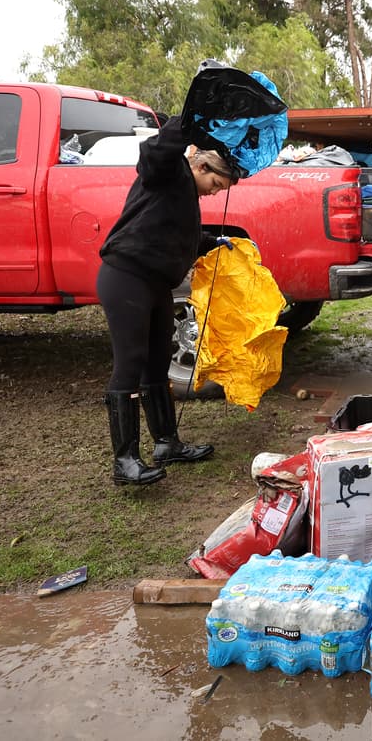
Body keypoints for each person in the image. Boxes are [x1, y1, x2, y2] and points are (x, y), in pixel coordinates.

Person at [97, 116, 242, 486]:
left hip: (156, 283)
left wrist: (213, 242)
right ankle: (124, 461)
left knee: (158, 362)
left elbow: (176, 235)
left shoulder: (185, 194)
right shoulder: (167, 171)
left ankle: (166, 444)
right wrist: (188, 121)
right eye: (215, 184)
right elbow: (154, 152)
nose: (215, 193)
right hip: (126, 276)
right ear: (201, 166)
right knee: (131, 362)